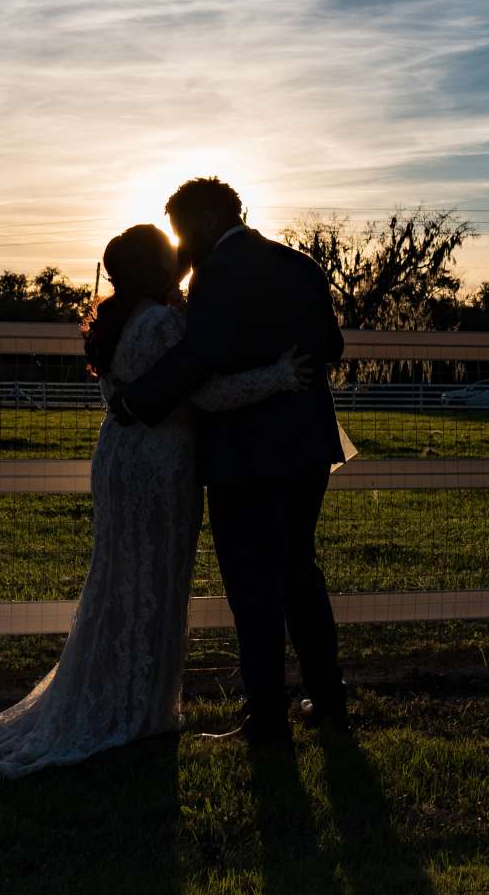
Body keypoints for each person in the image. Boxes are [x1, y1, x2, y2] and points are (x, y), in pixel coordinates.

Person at [0, 222, 312, 781]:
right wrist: (278, 376)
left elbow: (121, 394)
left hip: (119, 454)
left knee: (119, 578)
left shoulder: (115, 319)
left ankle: (119, 696)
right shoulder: (165, 321)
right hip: (161, 461)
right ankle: (135, 710)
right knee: (153, 580)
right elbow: (203, 392)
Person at [110, 177, 349, 748]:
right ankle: (329, 699)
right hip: (308, 448)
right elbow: (332, 348)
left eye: (182, 229)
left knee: (252, 584)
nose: (179, 245)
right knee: (299, 571)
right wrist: (287, 372)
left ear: (211, 220)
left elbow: (201, 356)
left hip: (246, 453)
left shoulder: (220, 273)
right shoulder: (300, 264)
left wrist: (138, 400)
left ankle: (267, 716)